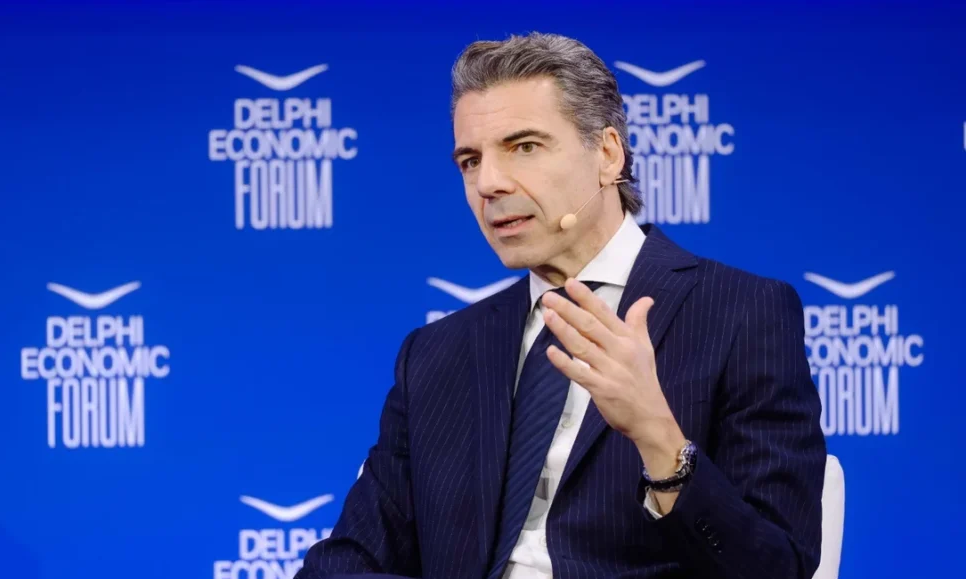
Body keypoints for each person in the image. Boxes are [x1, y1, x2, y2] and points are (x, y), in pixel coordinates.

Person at [296, 32, 826, 579]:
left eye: (524, 147)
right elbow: (343, 564)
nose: (489, 183)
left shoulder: (742, 314)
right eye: (470, 161)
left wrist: (659, 438)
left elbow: (776, 567)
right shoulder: (436, 353)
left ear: (608, 154)